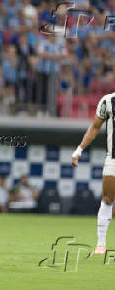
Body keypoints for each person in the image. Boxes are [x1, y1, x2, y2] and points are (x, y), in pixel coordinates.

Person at [72, 93, 115, 255]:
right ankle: (101, 244)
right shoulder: (108, 101)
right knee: (108, 199)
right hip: (113, 159)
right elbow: (95, 127)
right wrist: (79, 149)